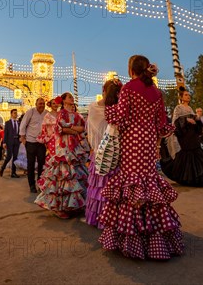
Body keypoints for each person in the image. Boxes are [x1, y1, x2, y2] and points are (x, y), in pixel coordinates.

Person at [98, 55, 183, 260]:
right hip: (147, 143)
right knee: (149, 182)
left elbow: (120, 119)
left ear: (131, 69)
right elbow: (162, 125)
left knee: (132, 185)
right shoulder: (156, 92)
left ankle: (133, 239)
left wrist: (110, 102)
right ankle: (157, 239)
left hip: (131, 143)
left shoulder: (127, 88)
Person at [35, 92, 89, 218]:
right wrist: (74, 130)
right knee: (63, 175)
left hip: (74, 147)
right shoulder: (61, 114)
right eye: (69, 97)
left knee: (75, 174)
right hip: (63, 147)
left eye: (72, 96)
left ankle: (75, 205)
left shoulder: (77, 115)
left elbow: (83, 128)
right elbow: (60, 129)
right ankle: (60, 207)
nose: (72, 98)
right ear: (64, 101)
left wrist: (70, 129)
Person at [85, 79, 122, 228]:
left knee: (99, 186)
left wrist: (93, 146)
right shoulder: (120, 109)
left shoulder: (94, 107)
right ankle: (114, 219)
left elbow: (90, 131)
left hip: (99, 152)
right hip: (117, 152)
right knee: (114, 186)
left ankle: (99, 217)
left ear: (103, 91)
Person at [19, 98, 47, 193]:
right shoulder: (30, 112)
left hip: (41, 143)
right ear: (36, 104)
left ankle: (40, 183)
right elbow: (23, 124)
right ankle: (31, 185)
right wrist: (23, 138)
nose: (41, 105)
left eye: (43, 103)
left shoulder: (46, 113)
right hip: (30, 141)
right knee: (30, 164)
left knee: (41, 163)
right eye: (40, 103)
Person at [37, 96, 62, 170]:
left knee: (61, 156)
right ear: (50, 105)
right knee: (53, 156)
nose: (55, 105)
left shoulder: (61, 114)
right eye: (53, 103)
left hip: (61, 138)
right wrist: (46, 138)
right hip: (52, 139)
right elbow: (44, 129)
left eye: (56, 103)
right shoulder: (47, 116)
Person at [168, 88, 194, 158]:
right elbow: (175, 121)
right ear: (181, 97)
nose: (188, 96)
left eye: (189, 95)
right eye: (186, 95)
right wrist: (186, 119)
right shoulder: (178, 107)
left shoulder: (190, 108)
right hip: (181, 135)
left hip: (189, 135)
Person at [0, 109, 21, 178]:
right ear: (11, 114)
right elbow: (6, 133)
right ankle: (2, 168)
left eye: (16, 113)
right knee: (9, 156)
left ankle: (13, 173)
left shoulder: (18, 123)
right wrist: (4, 142)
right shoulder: (8, 123)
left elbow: (20, 132)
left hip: (17, 141)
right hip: (10, 141)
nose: (16, 114)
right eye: (14, 113)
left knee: (15, 157)